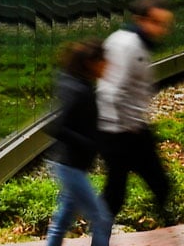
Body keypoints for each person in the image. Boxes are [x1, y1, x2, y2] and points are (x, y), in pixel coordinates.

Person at [98, 0, 176, 225]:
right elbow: (110, 89)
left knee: (130, 187)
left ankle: (163, 225)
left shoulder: (129, 41)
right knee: (122, 190)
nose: (162, 30)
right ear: (139, 19)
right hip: (122, 131)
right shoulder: (129, 45)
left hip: (128, 128)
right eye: (156, 23)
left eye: (164, 24)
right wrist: (120, 128)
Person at [44, 40, 113, 246]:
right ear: (92, 62)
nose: (108, 66)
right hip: (70, 166)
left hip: (73, 165)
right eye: (105, 62)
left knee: (62, 220)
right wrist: (91, 144)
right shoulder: (78, 90)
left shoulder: (79, 85)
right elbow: (57, 127)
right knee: (102, 220)